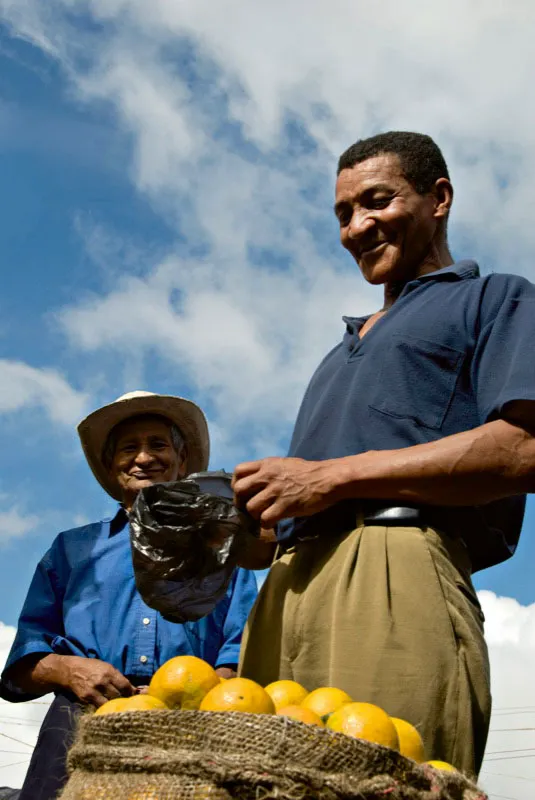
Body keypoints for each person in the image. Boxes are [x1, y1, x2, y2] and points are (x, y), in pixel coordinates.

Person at [232, 131, 535, 776]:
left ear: (439, 198)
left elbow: (524, 449)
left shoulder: (495, 298)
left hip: (391, 568)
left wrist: (331, 478)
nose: (356, 227)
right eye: (343, 214)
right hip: (284, 587)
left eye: (376, 202)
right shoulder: (332, 356)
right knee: (252, 780)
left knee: (380, 780)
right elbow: (295, 508)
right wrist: (238, 530)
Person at [1, 391, 257, 800]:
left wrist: (214, 687)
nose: (144, 457)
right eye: (129, 448)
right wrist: (69, 670)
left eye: (158, 444)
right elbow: (22, 666)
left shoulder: (222, 543)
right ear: (111, 465)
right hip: (79, 719)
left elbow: (245, 646)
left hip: (192, 721)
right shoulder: (71, 550)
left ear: (183, 460)